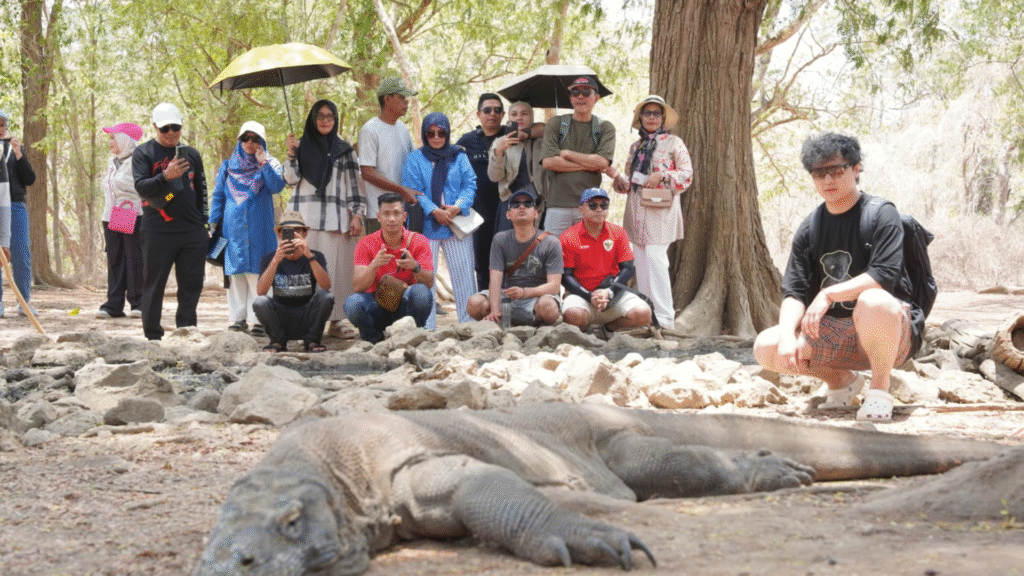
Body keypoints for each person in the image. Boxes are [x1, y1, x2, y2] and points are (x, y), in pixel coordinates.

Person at [753, 133, 922, 422]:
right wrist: (785, 337)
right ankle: (841, 381)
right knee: (766, 347)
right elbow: (793, 291)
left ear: (856, 169)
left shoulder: (881, 214)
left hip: (888, 330)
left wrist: (829, 293)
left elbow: (883, 275)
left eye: (836, 170)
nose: (827, 180)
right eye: (819, 173)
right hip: (834, 333)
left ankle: (880, 390)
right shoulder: (810, 228)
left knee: (874, 300)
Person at [608, 95, 693, 328]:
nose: (652, 118)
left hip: (661, 211)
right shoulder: (636, 147)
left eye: (657, 113)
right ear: (641, 117)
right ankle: (647, 315)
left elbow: (687, 175)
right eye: (648, 113)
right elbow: (630, 182)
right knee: (642, 261)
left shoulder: (674, 143)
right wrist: (617, 180)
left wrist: (664, 175)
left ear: (663, 118)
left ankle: (665, 318)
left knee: (656, 259)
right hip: (637, 210)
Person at [284, 101, 365, 339]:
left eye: (330, 116)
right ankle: (306, 323)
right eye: (319, 116)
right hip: (303, 220)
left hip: (334, 219)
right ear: (312, 118)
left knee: (335, 273)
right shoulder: (300, 146)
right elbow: (289, 179)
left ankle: (336, 321)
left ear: (336, 119)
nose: (325, 120)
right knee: (303, 272)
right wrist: (291, 154)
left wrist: (357, 214)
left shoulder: (344, 150)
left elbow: (354, 186)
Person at [132, 102, 208, 340]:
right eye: (165, 128)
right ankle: (153, 335)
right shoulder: (143, 153)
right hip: (157, 230)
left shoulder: (191, 154)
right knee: (154, 285)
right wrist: (166, 176)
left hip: (192, 230)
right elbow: (141, 188)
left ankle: (186, 332)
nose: (171, 133)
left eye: (176, 127)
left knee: (191, 285)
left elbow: (202, 188)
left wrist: (204, 223)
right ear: (155, 127)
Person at [402, 112, 477, 328]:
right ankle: (427, 328)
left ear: (448, 133)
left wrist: (457, 207)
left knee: (464, 277)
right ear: (425, 134)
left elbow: (470, 184)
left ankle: (468, 324)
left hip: (457, 224)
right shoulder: (415, 158)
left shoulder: (459, 156)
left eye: (441, 132)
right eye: (431, 133)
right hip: (426, 227)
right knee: (426, 278)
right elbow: (414, 191)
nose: (436, 137)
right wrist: (435, 211)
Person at [210, 121, 286, 335]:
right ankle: (238, 319)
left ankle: (261, 319)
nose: (250, 143)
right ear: (239, 141)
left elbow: (276, 186)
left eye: (255, 139)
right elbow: (218, 196)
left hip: (260, 228)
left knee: (259, 273)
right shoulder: (227, 166)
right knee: (236, 274)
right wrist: (212, 222)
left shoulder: (271, 163)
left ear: (262, 141)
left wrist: (263, 164)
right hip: (232, 229)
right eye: (246, 138)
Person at [560, 188, 652, 337]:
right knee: (573, 316)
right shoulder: (568, 236)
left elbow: (627, 268)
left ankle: (607, 329)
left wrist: (608, 292)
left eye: (604, 205)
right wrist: (589, 296)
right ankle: (584, 333)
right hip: (581, 293)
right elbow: (566, 276)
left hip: (613, 292)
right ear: (580, 209)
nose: (599, 209)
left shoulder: (618, 232)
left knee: (643, 314)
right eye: (592, 205)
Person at [344, 192, 434, 343]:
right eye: (386, 214)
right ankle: (373, 340)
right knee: (353, 303)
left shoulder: (419, 241)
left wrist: (415, 267)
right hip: (377, 306)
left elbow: (429, 283)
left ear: (404, 217)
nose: (392, 219)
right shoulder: (365, 243)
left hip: (406, 308)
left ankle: (413, 337)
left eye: (396, 213)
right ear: (378, 217)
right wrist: (374, 265)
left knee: (421, 293)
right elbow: (357, 287)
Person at [466, 187, 562, 326]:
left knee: (548, 307)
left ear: (536, 213)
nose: (521, 207)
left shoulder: (551, 242)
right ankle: (498, 321)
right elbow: (495, 279)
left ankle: (539, 326)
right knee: (474, 304)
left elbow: (554, 286)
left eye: (528, 204)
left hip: (537, 297)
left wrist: (525, 292)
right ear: (508, 215)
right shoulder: (500, 239)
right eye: (515, 205)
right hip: (508, 295)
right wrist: (494, 309)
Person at [539, 75, 615, 236]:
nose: (581, 96)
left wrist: (567, 154)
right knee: (555, 256)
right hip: (557, 206)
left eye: (586, 92)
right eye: (575, 92)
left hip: (591, 207)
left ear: (596, 98)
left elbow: (602, 162)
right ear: (570, 98)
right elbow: (549, 162)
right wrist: (590, 164)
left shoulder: (604, 127)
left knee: (587, 258)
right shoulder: (556, 124)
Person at [252, 212, 333, 353]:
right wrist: (276, 261)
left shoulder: (316, 256)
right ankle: (277, 341)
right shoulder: (269, 258)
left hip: (307, 315)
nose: (293, 235)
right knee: (260, 302)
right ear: (279, 235)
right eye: (287, 232)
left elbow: (326, 285)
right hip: (281, 316)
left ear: (304, 234)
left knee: (326, 297)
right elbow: (261, 291)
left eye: (297, 231)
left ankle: (312, 340)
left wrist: (308, 255)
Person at [455, 93, 508, 289]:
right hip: (478, 211)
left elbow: (537, 129)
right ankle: (485, 304)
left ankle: (507, 303)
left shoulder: (511, 134)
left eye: (497, 110)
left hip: (506, 209)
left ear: (503, 114)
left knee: (508, 258)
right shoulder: (467, 140)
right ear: (478, 114)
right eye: (487, 110)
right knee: (482, 261)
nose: (492, 114)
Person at [358, 77, 421, 234]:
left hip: (402, 212)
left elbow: (413, 163)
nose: (406, 102)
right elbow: (367, 172)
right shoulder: (370, 130)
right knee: (381, 258)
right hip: (379, 214)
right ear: (387, 99)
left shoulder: (403, 129)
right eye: (401, 97)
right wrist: (401, 190)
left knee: (401, 258)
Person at [97, 122, 145, 319]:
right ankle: (113, 305)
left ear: (125, 140)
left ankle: (138, 303)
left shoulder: (138, 160)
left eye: (113, 137)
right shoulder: (112, 162)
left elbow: (142, 187)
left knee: (132, 258)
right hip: (110, 214)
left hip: (129, 212)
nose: (110, 142)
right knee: (115, 259)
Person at [487, 100, 547, 233]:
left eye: (524, 114)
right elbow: (494, 177)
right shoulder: (500, 141)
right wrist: (499, 152)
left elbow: (550, 128)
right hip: (510, 201)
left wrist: (527, 134)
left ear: (531, 116)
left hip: (538, 203)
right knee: (510, 247)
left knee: (535, 247)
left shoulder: (542, 140)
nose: (519, 117)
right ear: (509, 118)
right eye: (514, 114)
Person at [0, 110, 37, 318]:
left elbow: (30, 179)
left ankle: (24, 301)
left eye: (2, 125)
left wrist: (19, 155)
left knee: (21, 254)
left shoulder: (14, 150)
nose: (0, 129)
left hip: (15, 206)